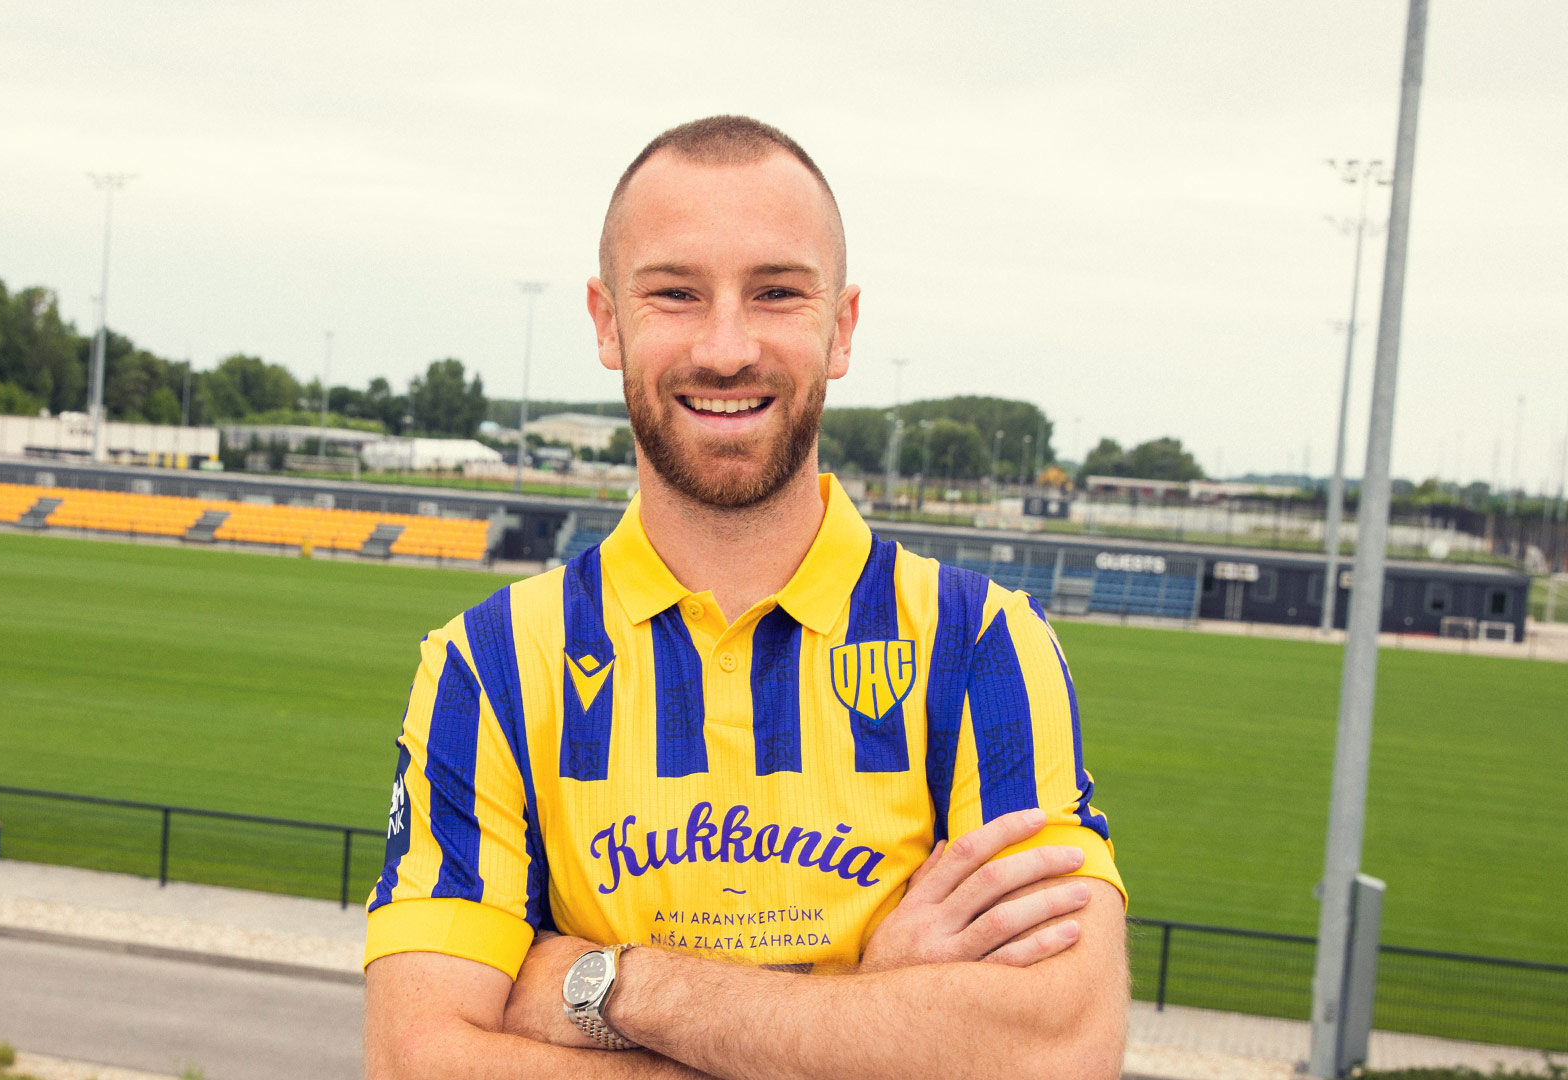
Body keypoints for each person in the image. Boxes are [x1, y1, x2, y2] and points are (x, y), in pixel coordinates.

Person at [363, 115, 1129, 1080]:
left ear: (840, 328)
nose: (726, 349)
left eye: (776, 292)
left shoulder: (983, 645)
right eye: (675, 293)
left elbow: (1060, 1048)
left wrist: (606, 985)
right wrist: (874, 1010)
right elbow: (415, 1060)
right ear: (607, 322)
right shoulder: (489, 664)